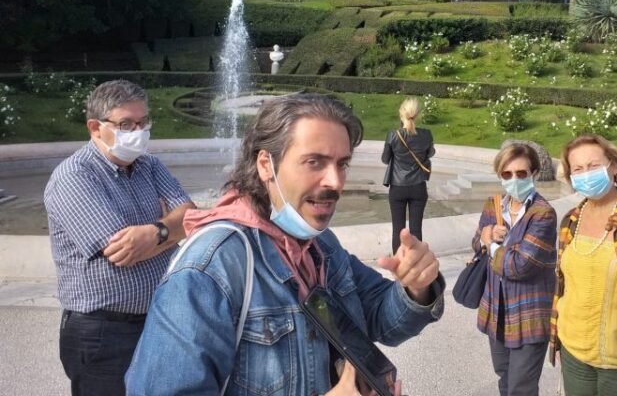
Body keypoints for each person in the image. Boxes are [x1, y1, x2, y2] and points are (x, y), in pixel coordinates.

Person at [125, 93, 445, 395]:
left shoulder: (322, 246)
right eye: (314, 162)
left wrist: (416, 286)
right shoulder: (209, 270)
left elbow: (380, 317)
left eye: (342, 164)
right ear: (266, 164)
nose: (335, 181)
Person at [43, 79, 195, 396]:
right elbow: (123, 251)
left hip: (157, 322)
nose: (137, 131)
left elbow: (192, 217)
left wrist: (155, 231)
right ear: (95, 127)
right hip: (103, 333)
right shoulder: (75, 176)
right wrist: (170, 226)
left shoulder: (149, 165)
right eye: (126, 124)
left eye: (143, 122)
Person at [549, 135, 617, 396]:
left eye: (593, 165)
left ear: (613, 166)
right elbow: (564, 284)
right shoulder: (571, 220)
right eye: (578, 169)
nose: (586, 174)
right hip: (573, 352)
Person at [472, 141, 557, 396]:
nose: (514, 179)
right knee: (504, 376)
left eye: (521, 173)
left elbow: (520, 266)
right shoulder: (494, 205)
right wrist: (485, 235)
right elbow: (476, 243)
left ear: (533, 174)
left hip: (529, 312)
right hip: (496, 310)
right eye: (507, 174)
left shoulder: (543, 214)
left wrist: (492, 246)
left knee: (521, 387)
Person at [381, 97, 435, 253]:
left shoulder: (393, 135)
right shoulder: (426, 135)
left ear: (401, 114)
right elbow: (430, 154)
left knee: (398, 229)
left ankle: (399, 265)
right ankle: (416, 264)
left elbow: (385, 159)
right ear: (418, 115)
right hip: (418, 186)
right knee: (416, 230)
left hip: (397, 187)